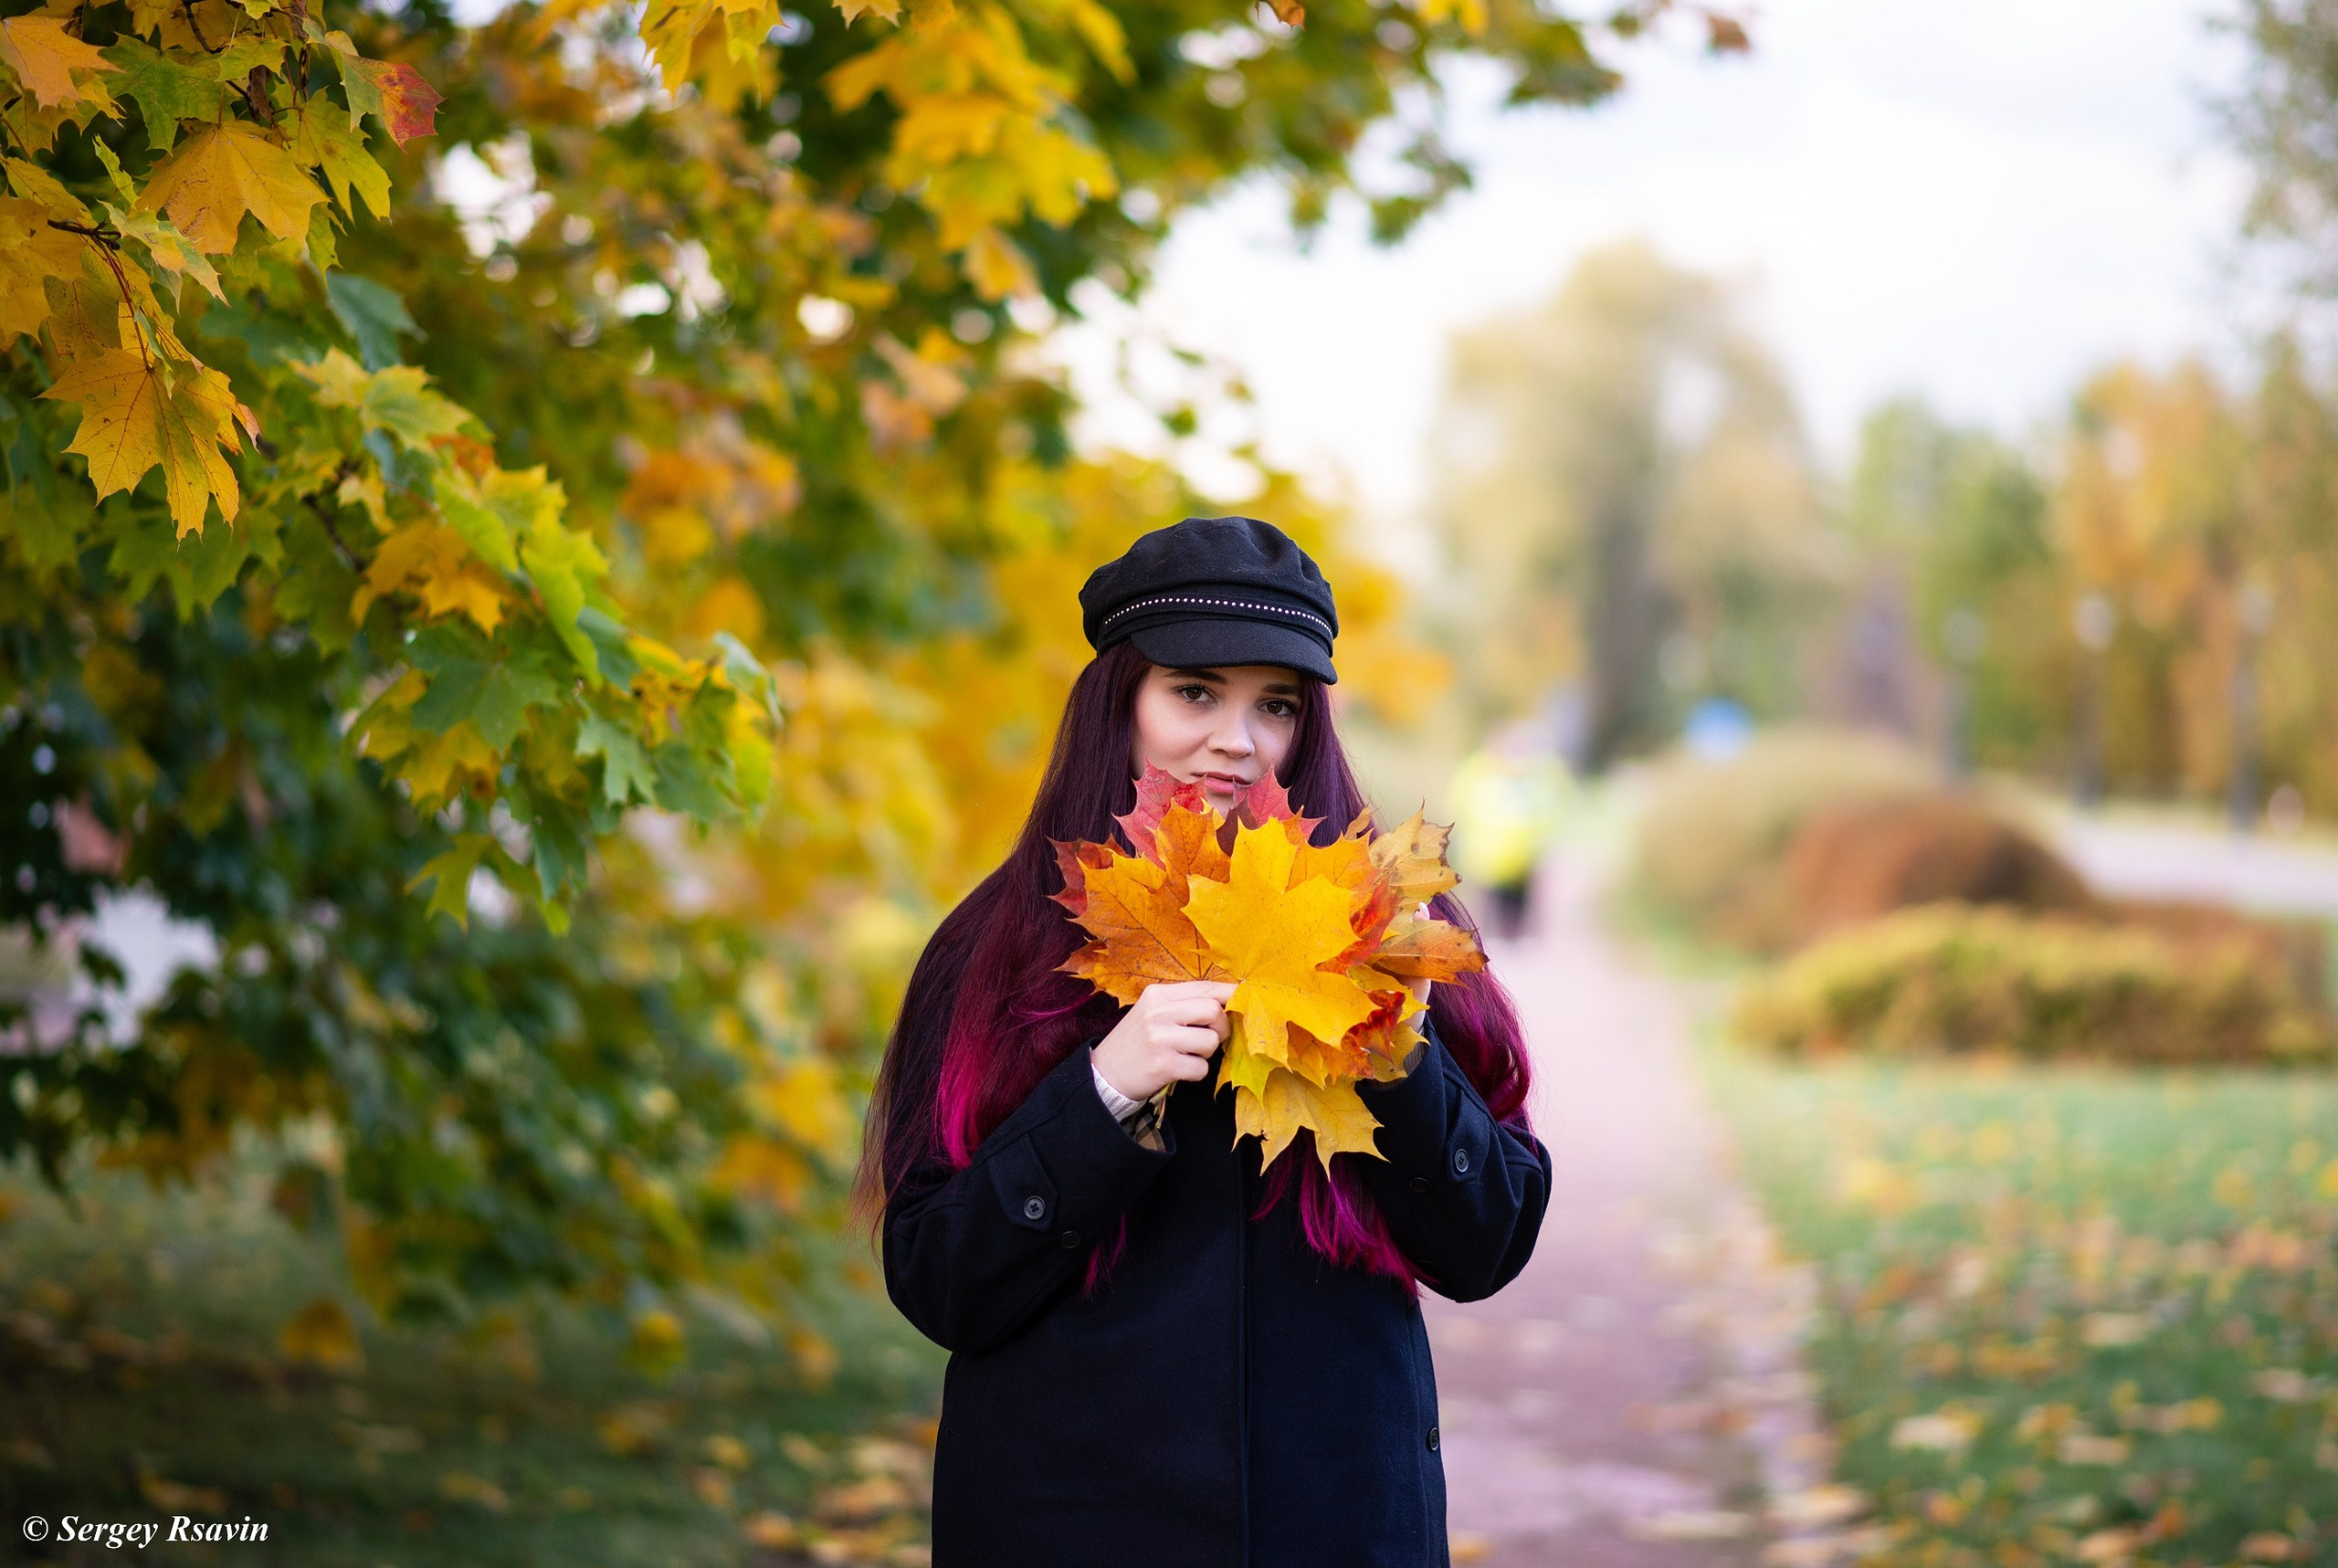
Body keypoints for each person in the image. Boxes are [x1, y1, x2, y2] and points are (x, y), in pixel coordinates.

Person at [858, 516, 1551, 1567]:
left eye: (1275, 704)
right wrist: (1099, 1099)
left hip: (1335, 1516)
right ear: (1120, 703)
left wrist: (1405, 1068)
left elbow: (1488, 1244)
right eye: (1196, 692)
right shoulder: (996, 950)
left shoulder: (1394, 935)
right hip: (1067, 1518)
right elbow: (937, 1278)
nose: (1238, 739)